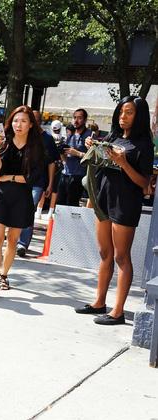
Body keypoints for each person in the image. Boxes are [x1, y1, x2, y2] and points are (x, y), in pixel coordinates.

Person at [75, 96, 153, 325]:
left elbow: (144, 183)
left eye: (128, 112)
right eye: (121, 112)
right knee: (104, 253)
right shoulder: (113, 137)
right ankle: (99, 302)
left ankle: (118, 311)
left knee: (121, 256)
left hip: (126, 202)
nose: (122, 116)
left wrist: (124, 163)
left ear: (139, 116)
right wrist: (92, 147)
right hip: (104, 198)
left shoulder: (144, 145)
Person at [0, 106, 45, 296]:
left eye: (24, 121)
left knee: (12, 240)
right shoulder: (4, 142)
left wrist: (11, 177)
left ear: (31, 125)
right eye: (16, 120)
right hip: (0, 194)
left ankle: (4, 275)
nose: (19, 124)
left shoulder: (36, 147)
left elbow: (32, 177)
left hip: (22, 197)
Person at [16, 111, 59, 257]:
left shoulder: (48, 139)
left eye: (34, 119)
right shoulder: (24, 135)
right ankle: (15, 238)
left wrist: (50, 184)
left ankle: (22, 243)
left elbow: (52, 163)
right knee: (19, 209)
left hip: (38, 182)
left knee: (29, 209)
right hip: (20, 179)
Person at [57, 109, 91, 207]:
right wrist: (62, 153)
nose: (76, 121)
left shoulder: (89, 136)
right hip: (65, 173)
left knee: (72, 205)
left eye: (79, 118)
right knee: (60, 204)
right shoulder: (70, 134)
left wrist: (77, 153)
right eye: (74, 117)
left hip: (78, 176)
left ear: (85, 120)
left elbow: (93, 158)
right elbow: (65, 156)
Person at [37, 119, 65, 220]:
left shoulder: (62, 139)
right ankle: (39, 210)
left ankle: (50, 211)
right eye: (55, 129)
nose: (56, 131)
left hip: (57, 166)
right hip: (48, 165)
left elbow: (61, 156)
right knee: (43, 188)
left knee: (53, 189)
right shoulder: (48, 137)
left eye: (57, 129)